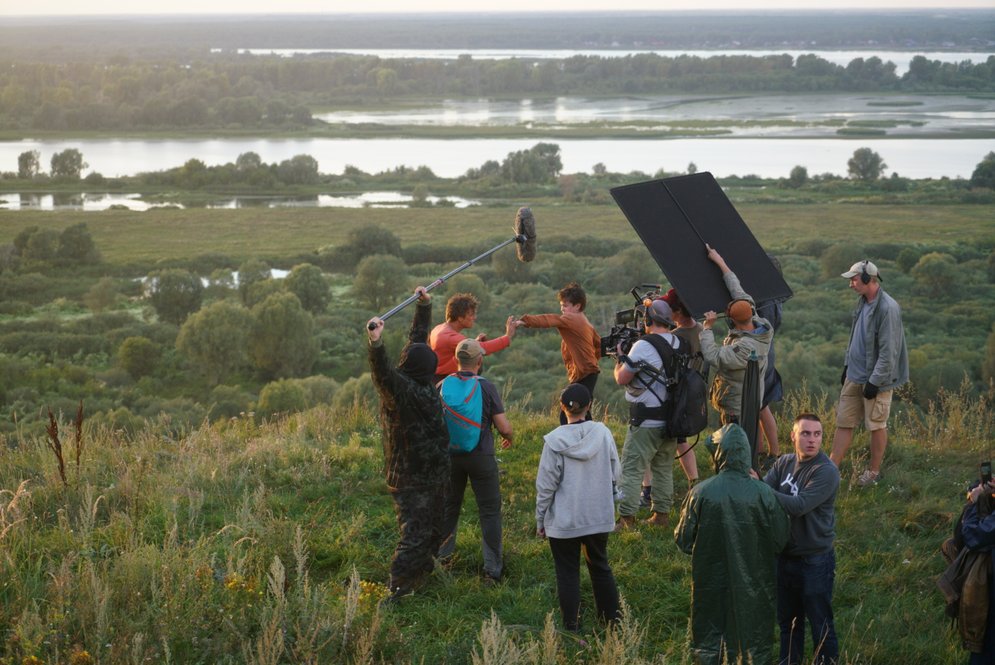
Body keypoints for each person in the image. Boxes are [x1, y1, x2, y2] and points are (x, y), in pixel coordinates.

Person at [675, 423, 790, 665]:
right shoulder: (765, 494)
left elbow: (684, 541)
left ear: (720, 454)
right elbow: (780, 540)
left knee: (710, 639)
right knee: (753, 641)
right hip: (755, 584)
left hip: (710, 584)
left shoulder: (700, 493)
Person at [367, 287, 451, 601]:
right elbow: (382, 374)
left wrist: (424, 307)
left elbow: (416, 343)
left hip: (434, 473)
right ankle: (397, 590)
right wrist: (375, 343)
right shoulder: (400, 392)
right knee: (414, 536)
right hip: (412, 478)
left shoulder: (414, 375)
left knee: (433, 531)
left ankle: (421, 579)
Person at [535, 383, 621, 632]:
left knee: (567, 572)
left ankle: (571, 626)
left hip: (564, 521)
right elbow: (616, 472)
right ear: (590, 406)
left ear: (562, 408)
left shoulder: (553, 441)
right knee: (600, 566)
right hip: (597, 514)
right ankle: (611, 624)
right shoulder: (603, 433)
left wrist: (540, 520)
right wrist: (614, 499)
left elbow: (546, 486)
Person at [762, 413, 841, 665]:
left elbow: (798, 505)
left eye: (817, 434)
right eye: (806, 433)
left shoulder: (826, 471)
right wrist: (759, 489)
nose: (812, 440)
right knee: (789, 623)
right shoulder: (783, 463)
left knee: (820, 623)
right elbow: (761, 496)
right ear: (793, 435)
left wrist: (760, 489)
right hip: (784, 556)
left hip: (814, 559)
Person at [437, 338, 514, 584]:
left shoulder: (442, 385)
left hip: (450, 457)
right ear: (479, 361)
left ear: (457, 360)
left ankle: (442, 559)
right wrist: (509, 436)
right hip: (481, 456)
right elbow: (503, 426)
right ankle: (492, 571)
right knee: (489, 512)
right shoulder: (486, 387)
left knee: (449, 508)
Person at [829, 260, 909, 487]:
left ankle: (872, 473)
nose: (851, 284)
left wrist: (875, 381)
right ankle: (831, 469)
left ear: (868, 280)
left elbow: (889, 352)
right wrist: (847, 366)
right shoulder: (862, 303)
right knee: (844, 421)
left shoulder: (888, 308)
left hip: (876, 380)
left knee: (876, 424)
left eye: (854, 279)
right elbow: (855, 336)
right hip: (855, 375)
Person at [613, 299, 682, 529]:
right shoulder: (677, 342)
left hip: (645, 420)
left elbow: (623, 378)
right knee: (663, 468)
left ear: (648, 320)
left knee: (632, 468)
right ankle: (661, 516)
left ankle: (626, 519)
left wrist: (619, 360)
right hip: (672, 419)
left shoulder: (642, 346)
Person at [699, 244, 773, 455]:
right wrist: (719, 261)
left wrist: (707, 328)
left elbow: (713, 356)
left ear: (734, 322)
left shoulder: (743, 348)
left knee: (734, 448)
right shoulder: (761, 325)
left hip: (736, 407)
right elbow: (738, 290)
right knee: (748, 441)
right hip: (750, 400)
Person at [638, 289, 703, 507]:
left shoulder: (677, 338)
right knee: (681, 440)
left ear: (677, 311)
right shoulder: (701, 330)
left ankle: (648, 490)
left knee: (648, 441)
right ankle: (694, 482)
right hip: (693, 395)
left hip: (673, 397)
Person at [516, 282, 601, 422]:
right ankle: (585, 439)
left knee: (569, 411)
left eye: (565, 305)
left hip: (585, 373)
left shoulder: (571, 318)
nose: (562, 309)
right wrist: (592, 359)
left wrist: (525, 321)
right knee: (581, 410)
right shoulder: (585, 321)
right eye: (561, 305)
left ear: (577, 306)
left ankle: (576, 441)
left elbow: (549, 319)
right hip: (589, 372)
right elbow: (598, 344)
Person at [430, 292, 518, 383]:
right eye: (471, 315)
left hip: (436, 380)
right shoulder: (450, 337)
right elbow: (483, 348)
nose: (474, 318)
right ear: (460, 318)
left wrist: (473, 342)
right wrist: (507, 337)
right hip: (444, 383)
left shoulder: (439, 328)